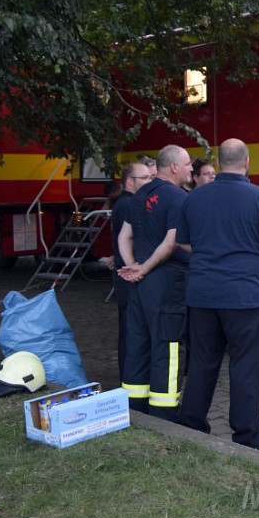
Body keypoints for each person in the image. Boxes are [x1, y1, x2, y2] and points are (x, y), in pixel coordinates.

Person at [176, 139, 259, 454]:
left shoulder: (195, 198)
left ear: (219, 161)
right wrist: (253, 258)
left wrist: (211, 255)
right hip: (245, 296)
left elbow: (183, 243)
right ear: (247, 162)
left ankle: (192, 425)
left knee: (201, 362)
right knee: (245, 366)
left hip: (202, 294)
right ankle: (247, 435)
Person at [117, 145, 193, 421]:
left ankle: (135, 409)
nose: (191, 170)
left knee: (138, 342)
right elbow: (172, 241)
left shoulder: (138, 196)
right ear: (173, 167)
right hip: (166, 282)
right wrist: (145, 267)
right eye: (187, 165)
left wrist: (132, 267)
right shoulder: (178, 197)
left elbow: (124, 237)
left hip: (139, 286)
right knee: (168, 345)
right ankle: (165, 414)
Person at [108, 162, 152, 379]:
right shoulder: (128, 204)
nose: (149, 182)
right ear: (130, 181)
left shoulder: (126, 202)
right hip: (127, 273)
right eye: (144, 178)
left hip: (124, 270)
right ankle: (127, 374)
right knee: (128, 327)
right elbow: (129, 239)